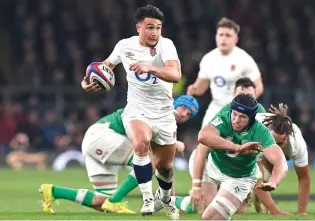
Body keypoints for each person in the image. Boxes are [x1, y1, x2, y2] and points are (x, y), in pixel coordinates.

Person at [81, 5, 181, 219]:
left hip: (164, 113)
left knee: (165, 166)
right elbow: (104, 66)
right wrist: (86, 82)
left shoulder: (166, 45)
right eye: (150, 27)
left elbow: (175, 74)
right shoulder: (124, 46)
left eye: (158, 27)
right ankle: (146, 199)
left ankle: (165, 199)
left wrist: (150, 67)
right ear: (138, 28)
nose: (155, 32)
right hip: (137, 109)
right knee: (140, 143)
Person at [39, 95, 199, 215]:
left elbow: (165, 166)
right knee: (148, 162)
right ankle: (115, 200)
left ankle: (52, 191)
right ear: (174, 104)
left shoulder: (166, 125)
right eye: (183, 108)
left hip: (97, 141)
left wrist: (171, 199)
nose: (184, 114)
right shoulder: (159, 111)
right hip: (103, 136)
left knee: (100, 202)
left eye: (189, 114)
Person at [174, 78, 265, 214]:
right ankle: (169, 200)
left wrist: (260, 190)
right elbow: (201, 151)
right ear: (234, 95)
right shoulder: (221, 116)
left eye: (250, 96)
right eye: (241, 95)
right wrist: (196, 186)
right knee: (206, 209)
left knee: (241, 211)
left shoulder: (261, 116)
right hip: (208, 162)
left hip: (232, 167)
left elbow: (259, 157)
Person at [193, 94, 288, 220]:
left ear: (251, 118)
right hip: (213, 167)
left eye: (242, 117)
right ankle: (169, 200)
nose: (236, 120)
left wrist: (273, 181)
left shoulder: (260, 132)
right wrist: (237, 147)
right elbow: (203, 136)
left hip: (239, 178)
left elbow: (280, 161)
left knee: (210, 217)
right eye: (234, 114)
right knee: (202, 205)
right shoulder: (224, 118)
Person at [187, 17, 264, 127]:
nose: (223, 38)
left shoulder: (245, 59)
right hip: (217, 107)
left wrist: (246, 106)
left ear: (236, 39)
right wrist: (193, 89)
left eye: (228, 35)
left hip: (239, 110)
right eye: (221, 35)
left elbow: (259, 87)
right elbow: (202, 87)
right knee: (203, 140)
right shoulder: (208, 59)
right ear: (216, 37)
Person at [252, 104, 310, 215]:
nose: (276, 146)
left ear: (288, 137)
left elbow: (304, 178)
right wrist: (276, 212)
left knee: (272, 179)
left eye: (280, 143)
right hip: (239, 139)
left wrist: (301, 212)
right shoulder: (258, 135)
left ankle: (258, 199)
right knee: (242, 207)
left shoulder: (298, 143)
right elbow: (256, 177)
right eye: (273, 141)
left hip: (268, 156)